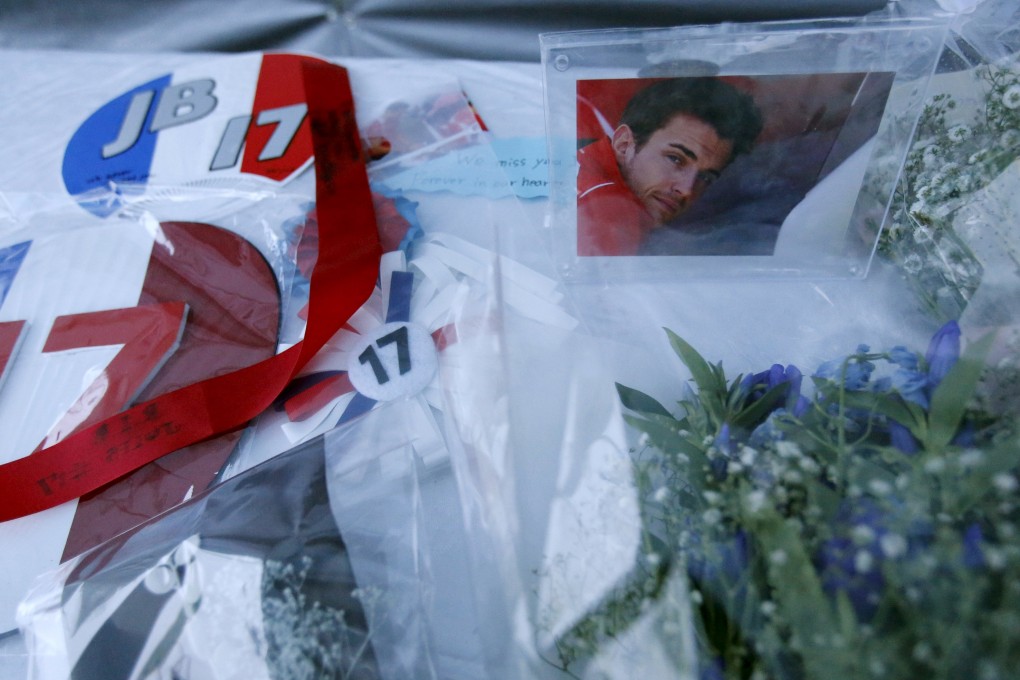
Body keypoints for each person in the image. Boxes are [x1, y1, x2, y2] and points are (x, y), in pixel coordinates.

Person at [577, 77, 763, 256]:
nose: (686, 190)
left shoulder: (583, 164)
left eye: (705, 177)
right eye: (675, 159)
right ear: (624, 145)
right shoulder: (609, 215)